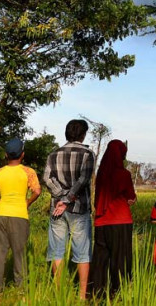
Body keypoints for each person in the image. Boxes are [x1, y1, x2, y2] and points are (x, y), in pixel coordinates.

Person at [0, 137, 42, 295]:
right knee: (20, 254)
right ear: (22, 154)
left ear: (6, 155)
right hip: (19, 216)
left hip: (0, 216)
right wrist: (27, 202)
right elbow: (37, 191)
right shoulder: (28, 172)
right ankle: (21, 293)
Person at [43, 118, 96, 300]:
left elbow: (47, 178)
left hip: (57, 209)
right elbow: (84, 179)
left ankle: (59, 293)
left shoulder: (53, 154)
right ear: (83, 135)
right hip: (79, 209)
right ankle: (82, 295)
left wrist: (61, 196)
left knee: (57, 251)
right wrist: (67, 198)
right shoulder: (88, 154)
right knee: (82, 252)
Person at [92, 139, 137, 297]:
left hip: (101, 222)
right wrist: (132, 199)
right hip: (121, 221)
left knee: (100, 260)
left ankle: (97, 294)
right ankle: (118, 294)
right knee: (120, 260)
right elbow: (131, 197)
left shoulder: (101, 174)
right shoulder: (124, 174)